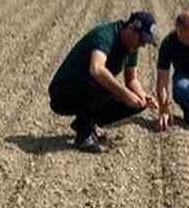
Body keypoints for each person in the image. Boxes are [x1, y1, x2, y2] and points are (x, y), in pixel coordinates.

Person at [49, 10, 158, 152]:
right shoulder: (106, 35)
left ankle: (87, 122)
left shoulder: (132, 47)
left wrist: (142, 97)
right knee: (102, 81)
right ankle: (83, 135)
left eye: (146, 41)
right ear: (131, 27)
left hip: (85, 90)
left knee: (137, 103)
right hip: (63, 93)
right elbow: (96, 69)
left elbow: (132, 80)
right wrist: (125, 94)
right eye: (142, 39)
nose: (143, 45)